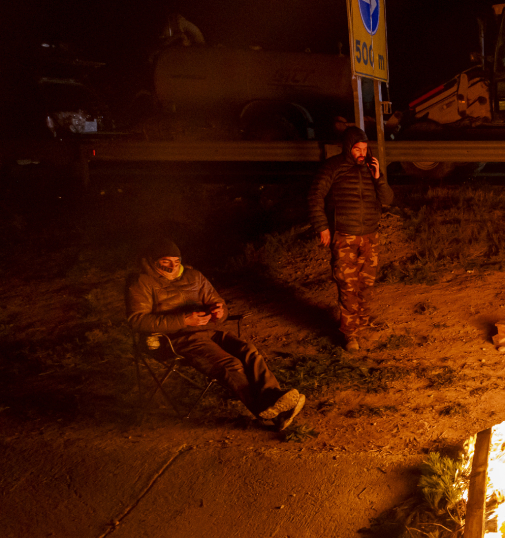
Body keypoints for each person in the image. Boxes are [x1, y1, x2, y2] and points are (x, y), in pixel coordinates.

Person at [126, 238, 305, 431]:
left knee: (248, 351)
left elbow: (218, 302)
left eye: (176, 261)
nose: (173, 266)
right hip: (174, 339)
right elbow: (137, 320)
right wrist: (184, 320)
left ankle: (274, 401)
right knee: (230, 364)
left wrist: (220, 311)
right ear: (153, 261)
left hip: (208, 331)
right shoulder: (141, 282)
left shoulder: (194, 276)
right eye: (166, 262)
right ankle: (267, 409)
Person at [308, 126, 394, 351]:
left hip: (369, 236)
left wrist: (378, 178)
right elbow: (315, 196)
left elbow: (388, 199)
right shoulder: (332, 167)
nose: (362, 153)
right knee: (347, 285)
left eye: (365, 149)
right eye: (357, 149)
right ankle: (350, 334)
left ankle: (361, 323)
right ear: (348, 148)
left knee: (366, 284)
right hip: (344, 235)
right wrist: (322, 227)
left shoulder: (370, 169)